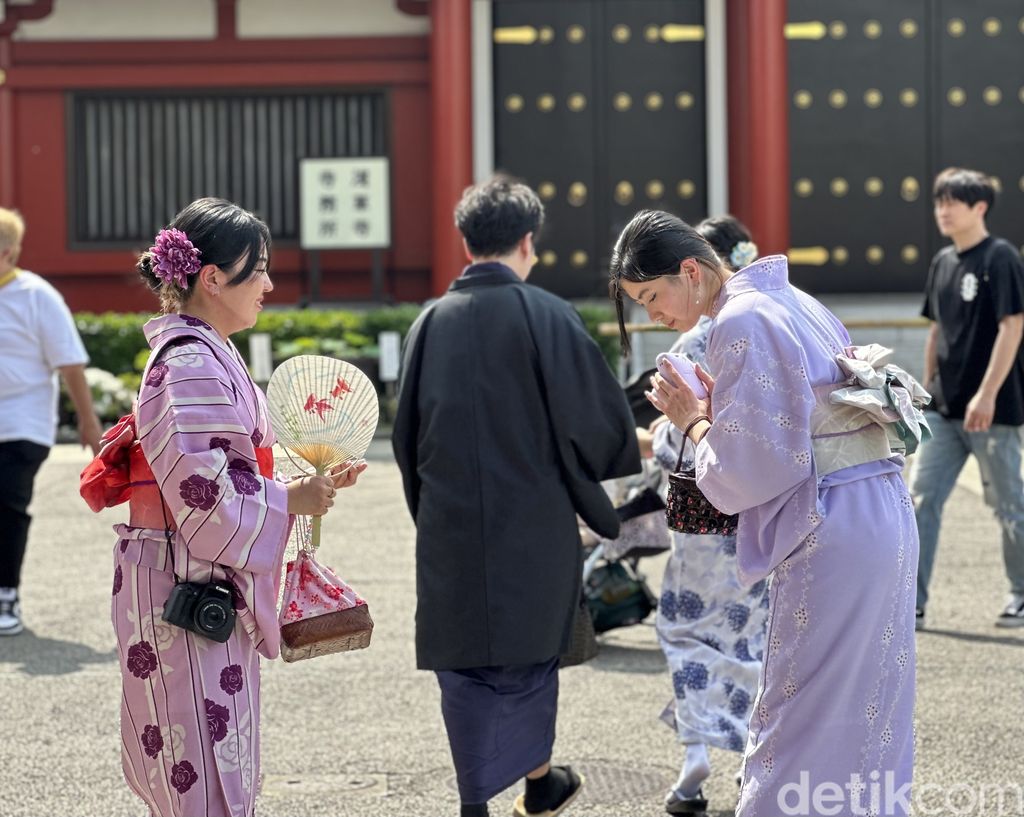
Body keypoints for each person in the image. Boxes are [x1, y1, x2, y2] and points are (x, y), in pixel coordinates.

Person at [610, 210, 923, 817]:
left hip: (834, 521)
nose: (653, 315)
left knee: (799, 716)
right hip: (879, 507)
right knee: (869, 703)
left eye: (650, 297)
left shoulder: (740, 318)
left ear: (690, 271)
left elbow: (753, 467)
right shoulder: (790, 299)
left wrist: (693, 420)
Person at [102, 198, 365, 817]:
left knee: (210, 760)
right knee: (201, 775)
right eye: (260, 270)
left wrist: (301, 487)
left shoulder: (204, 352)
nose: (269, 285)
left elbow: (225, 474)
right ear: (214, 279)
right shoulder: (192, 360)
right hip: (185, 589)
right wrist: (289, 498)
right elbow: (203, 492)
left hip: (193, 580)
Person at [392, 176, 640, 817]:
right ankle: (537, 784)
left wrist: (431, 513)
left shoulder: (429, 323)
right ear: (528, 242)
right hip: (534, 522)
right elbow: (595, 425)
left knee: (464, 668)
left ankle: (479, 796)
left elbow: (407, 439)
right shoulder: (548, 315)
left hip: (451, 524)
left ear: (465, 242)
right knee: (530, 662)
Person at [650, 215, 769, 815]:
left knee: (683, 630)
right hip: (758, 518)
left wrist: (659, 438)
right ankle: (757, 759)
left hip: (703, 521)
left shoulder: (693, 344)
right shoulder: (766, 322)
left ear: (693, 271)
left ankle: (695, 753)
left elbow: (675, 443)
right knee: (755, 639)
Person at [911, 167, 1024, 629]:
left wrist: (987, 394)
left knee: (1009, 505)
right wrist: (925, 389)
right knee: (920, 500)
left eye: (952, 202)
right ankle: (911, 601)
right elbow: (936, 329)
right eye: (939, 202)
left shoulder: (1001, 257)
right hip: (944, 408)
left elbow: (1012, 326)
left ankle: (1021, 595)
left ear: (979, 207)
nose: (943, 211)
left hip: (992, 410)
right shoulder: (942, 261)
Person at [0, 206, 102, 637]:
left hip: (21, 425)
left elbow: (70, 364)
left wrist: (88, 422)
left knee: (7, 505)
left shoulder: (37, 296)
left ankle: (6, 594)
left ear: (8, 253)